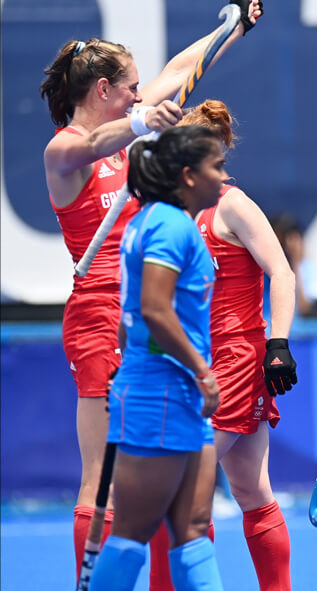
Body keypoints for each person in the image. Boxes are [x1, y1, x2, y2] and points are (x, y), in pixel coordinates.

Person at [38, 2, 263, 582]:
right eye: (133, 90)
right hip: (101, 314)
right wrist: (142, 124)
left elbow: (183, 70)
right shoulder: (66, 151)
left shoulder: (125, 133)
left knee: (185, 483)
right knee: (104, 476)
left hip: (149, 315)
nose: (143, 97)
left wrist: (231, 25)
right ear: (105, 89)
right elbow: (85, 145)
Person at [89, 124, 227, 590]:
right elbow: (152, 308)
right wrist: (204, 372)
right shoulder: (169, 224)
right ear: (188, 175)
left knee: (193, 528)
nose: (224, 179)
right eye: (217, 167)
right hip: (162, 390)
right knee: (133, 531)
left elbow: (137, 320)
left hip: (171, 389)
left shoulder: (156, 219)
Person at [181, 99, 297, 590]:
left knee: (187, 495)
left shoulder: (232, 204)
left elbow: (282, 271)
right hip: (193, 361)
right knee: (252, 490)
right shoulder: (170, 209)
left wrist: (278, 343)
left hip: (233, 360)